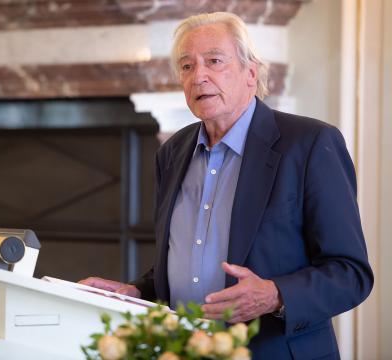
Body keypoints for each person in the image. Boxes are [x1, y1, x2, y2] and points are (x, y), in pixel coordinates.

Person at [80, 12, 373, 359]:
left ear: (251, 73)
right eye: (187, 67)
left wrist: (276, 294)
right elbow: (184, 259)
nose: (198, 76)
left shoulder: (310, 143)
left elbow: (349, 274)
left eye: (214, 61)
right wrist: (136, 291)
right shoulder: (172, 152)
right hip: (186, 350)